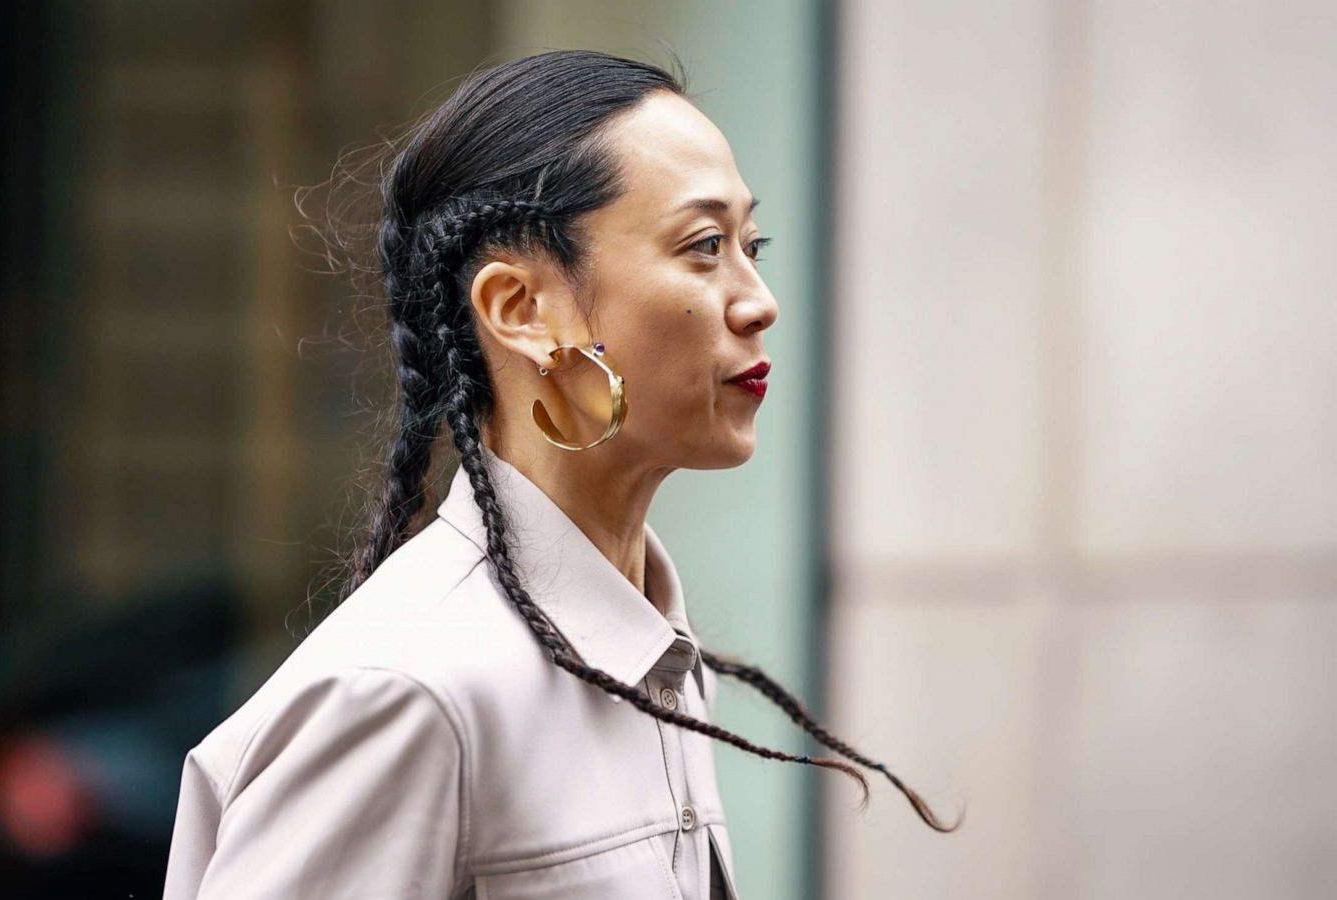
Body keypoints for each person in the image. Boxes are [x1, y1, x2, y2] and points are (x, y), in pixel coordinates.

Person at [162, 49, 959, 900]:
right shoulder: (406, 694)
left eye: (750, 243)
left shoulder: (655, 659)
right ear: (522, 310)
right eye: (702, 246)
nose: (758, 299)